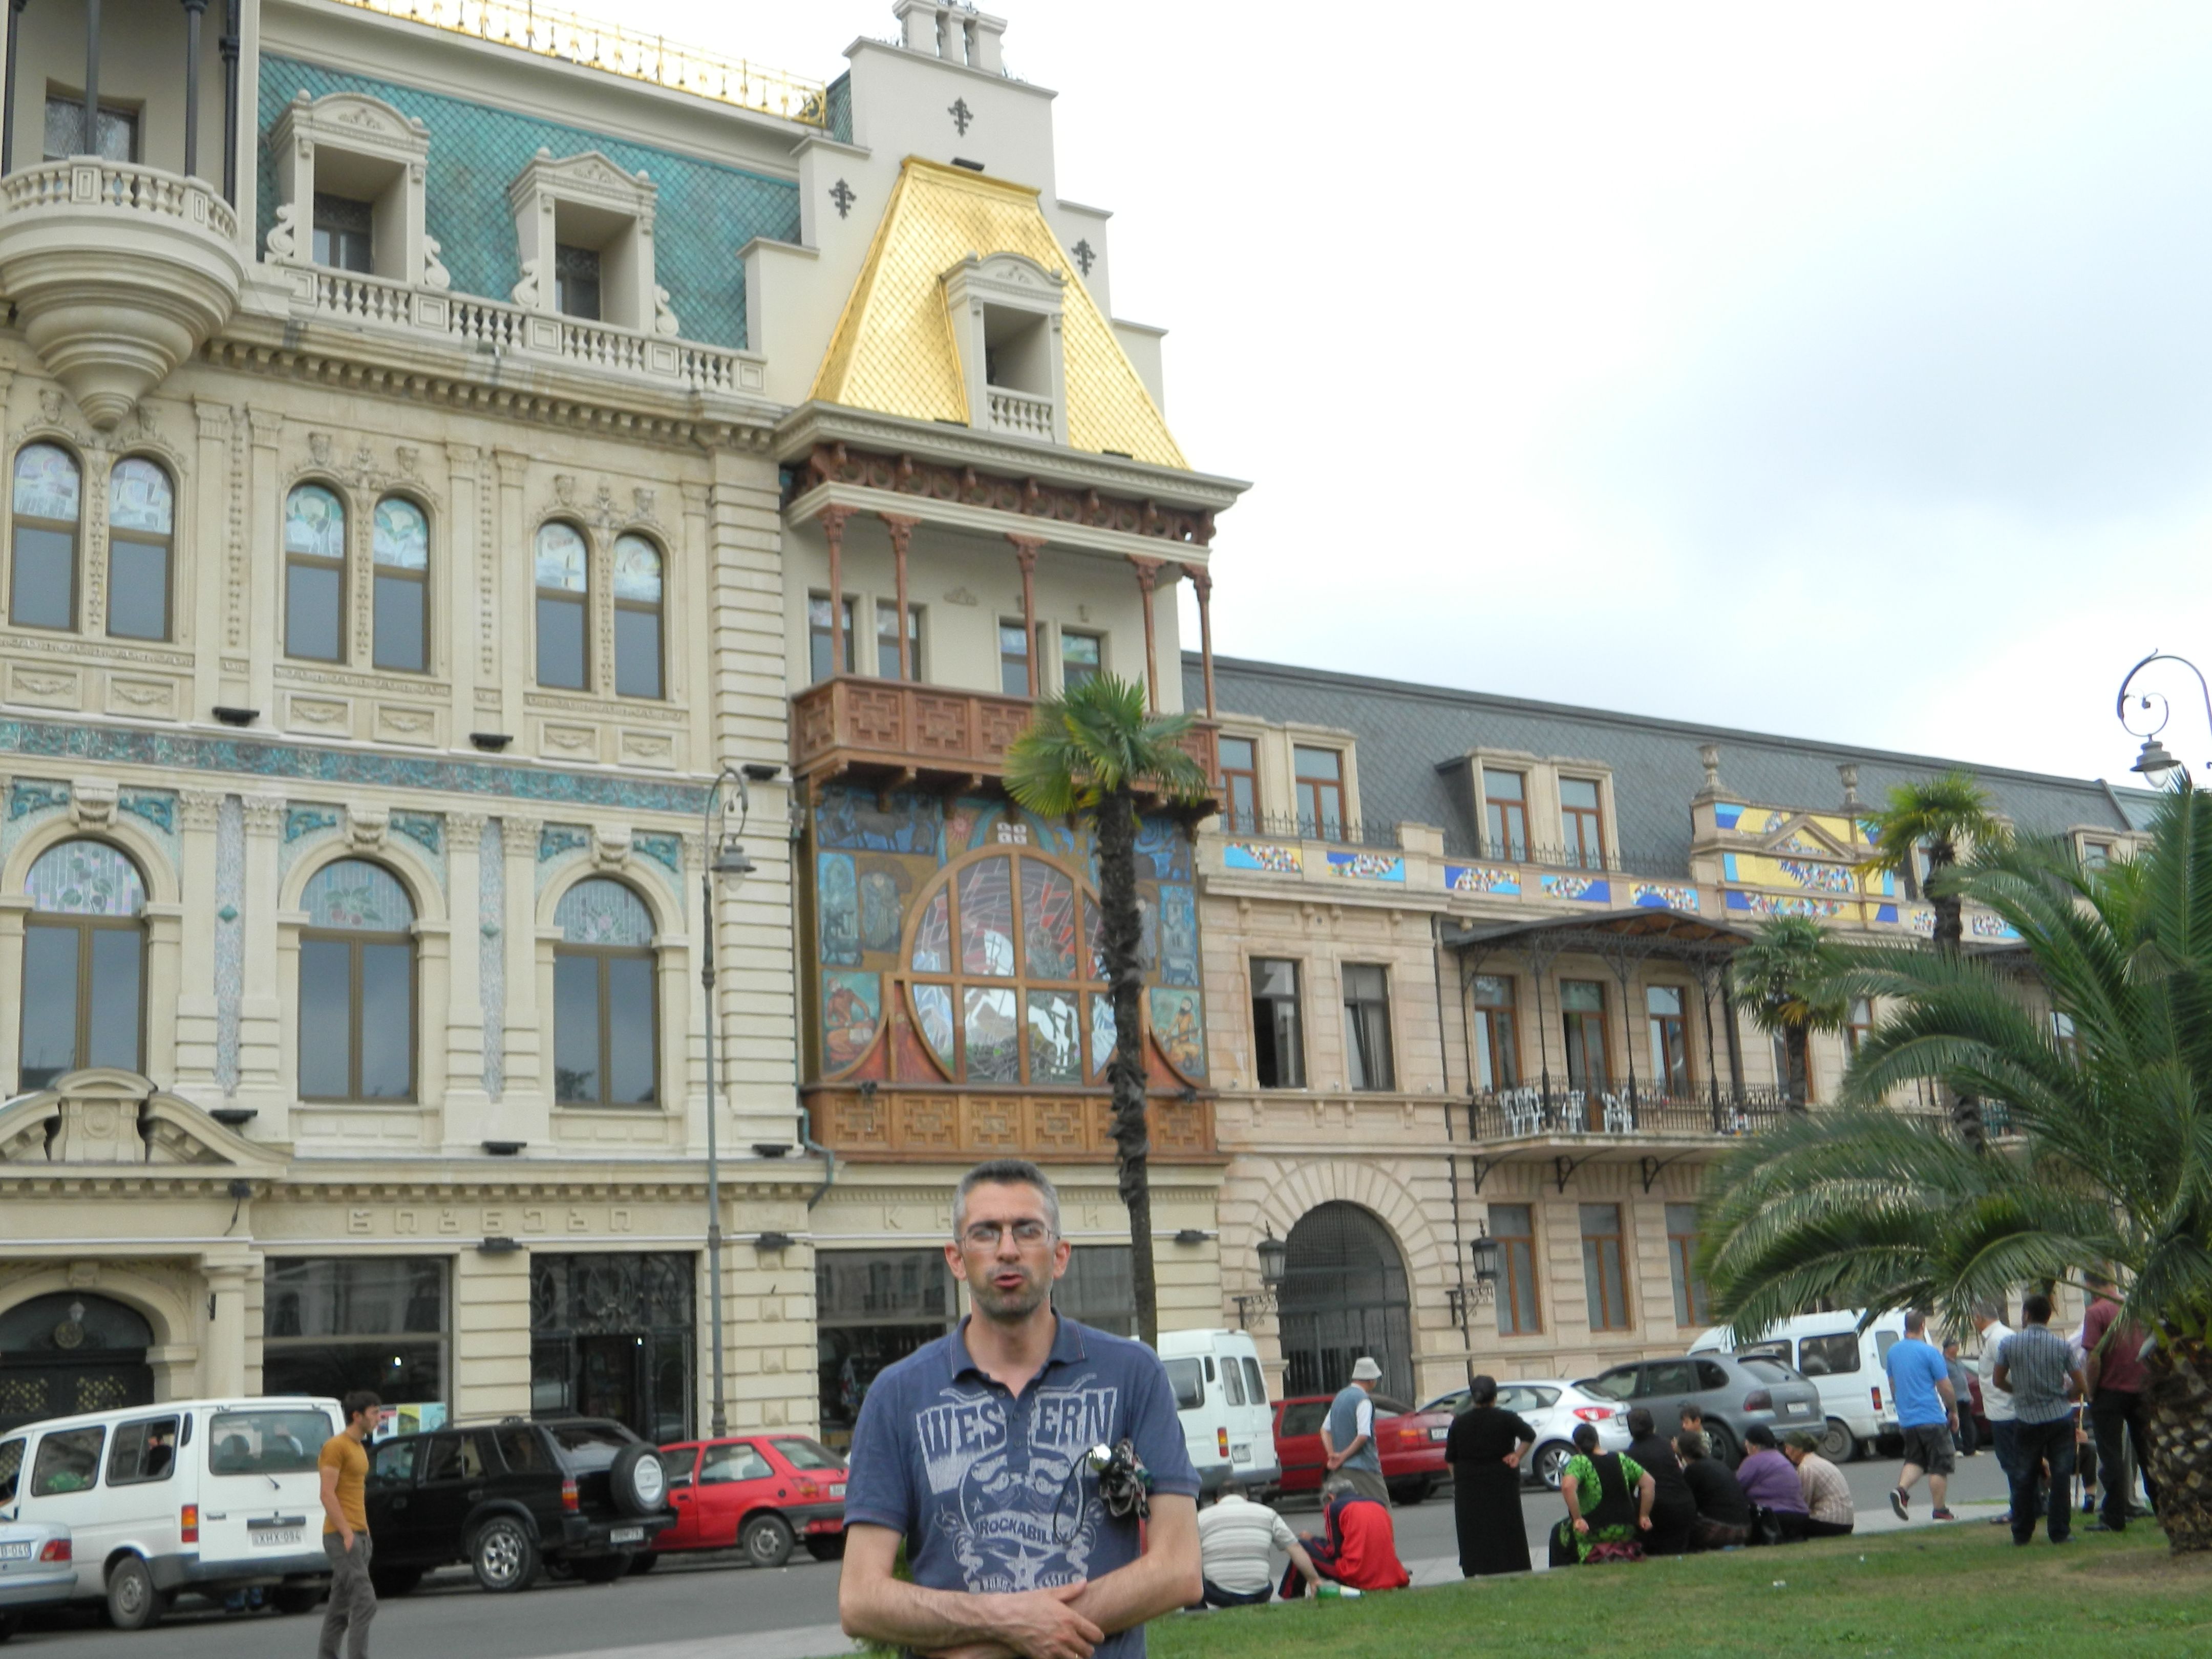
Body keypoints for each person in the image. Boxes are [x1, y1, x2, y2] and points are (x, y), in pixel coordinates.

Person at [839, 1160, 1201, 1659]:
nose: (1007, 1250)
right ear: (957, 1258)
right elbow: (861, 1600)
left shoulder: (1132, 1373)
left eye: (1027, 1231)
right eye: (985, 1233)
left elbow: (1180, 1569)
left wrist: (1029, 1628)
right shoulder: (898, 1394)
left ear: (1059, 1255)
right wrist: (1010, 1623)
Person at [1994, 1292, 2085, 1547]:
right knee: (2061, 1474)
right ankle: (2059, 1532)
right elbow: (2081, 1383)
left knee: (2024, 1476)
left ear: (2026, 1315)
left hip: (2026, 1418)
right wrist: (2065, 1395)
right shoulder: (2062, 1346)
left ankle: (2022, 1532)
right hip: (2058, 1416)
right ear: (2048, 1317)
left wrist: (2020, 1392)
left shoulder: (2009, 1345)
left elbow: (1998, 1380)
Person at [2082, 1273, 2158, 1533]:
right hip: (2141, 1388)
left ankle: (2114, 1517)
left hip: (2110, 1390)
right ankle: (2162, 1508)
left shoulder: (2096, 1312)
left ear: (2089, 1285)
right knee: (2149, 1453)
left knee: (2111, 1456)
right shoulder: (2135, 1307)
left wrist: (2090, 1392)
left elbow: (2094, 1358)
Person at [1444, 1375, 1536, 1577]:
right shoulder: (1506, 1418)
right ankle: (1513, 1565)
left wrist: (1457, 1480)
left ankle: (1475, 1567)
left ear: (1473, 1398)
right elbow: (1529, 1435)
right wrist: (1516, 1455)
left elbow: (1451, 1457)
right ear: (1495, 1397)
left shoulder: (1460, 1423)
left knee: (1474, 1529)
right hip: (1502, 1478)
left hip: (1469, 1483)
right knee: (1507, 1525)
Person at [318, 1390, 380, 1659]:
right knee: (365, 1602)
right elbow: (327, 1493)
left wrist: (364, 1533)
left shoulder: (358, 1448)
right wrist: (347, 1534)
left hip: (359, 1535)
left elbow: (355, 1493)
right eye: (374, 1413)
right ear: (357, 1416)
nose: (379, 1417)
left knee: (339, 1608)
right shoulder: (336, 1447)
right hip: (341, 1536)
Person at [1883, 1309, 1959, 1522]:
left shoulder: (1893, 1352)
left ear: (1905, 1327)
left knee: (1915, 1460)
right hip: (1931, 1417)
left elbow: (1892, 1384)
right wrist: (1953, 1410)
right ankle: (1940, 1510)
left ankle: (1902, 1491)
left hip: (1908, 1420)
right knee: (1939, 1465)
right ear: (1923, 1326)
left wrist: (1901, 1407)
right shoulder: (1930, 1352)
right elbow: (1945, 1386)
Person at [1194, 1480, 1316, 1607]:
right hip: (1259, 1594)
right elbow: (1295, 1548)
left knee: (1191, 1584)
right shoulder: (1268, 1514)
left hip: (1219, 1594)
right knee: (1265, 1581)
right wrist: (1314, 1580)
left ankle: (1198, 1616)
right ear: (1246, 1497)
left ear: (1218, 1499)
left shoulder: (1201, 1517)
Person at [1283, 1480, 1410, 1597]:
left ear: (1331, 1497)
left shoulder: (1335, 1507)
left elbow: (1334, 1552)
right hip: (1390, 1574)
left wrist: (1313, 1540)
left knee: (1299, 1547)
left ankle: (1290, 1596)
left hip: (1358, 1575)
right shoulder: (1378, 1504)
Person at [1557, 1422, 1654, 1564]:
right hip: (1625, 1529)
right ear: (1597, 1440)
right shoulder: (1621, 1458)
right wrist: (1644, 1516)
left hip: (1594, 1532)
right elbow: (1649, 1483)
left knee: (1560, 1533)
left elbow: (1567, 1487)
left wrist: (1578, 1518)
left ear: (1576, 1445)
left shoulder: (1580, 1462)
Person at [1623, 1407, 1699, 1557]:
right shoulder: (1666, 1445)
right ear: (1653, 1426)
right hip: (1685, 1505)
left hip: (1659, 1512)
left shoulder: (1632, 1454)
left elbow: (1628, 1492)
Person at [1973, 1301, 2022, 1527]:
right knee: (2013, 1461)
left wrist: (2011, 1394)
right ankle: (2027, 1504)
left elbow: (2013, 1373)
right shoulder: (1998, 1336)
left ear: (1979, 1318)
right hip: (2001, 1409)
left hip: (2006, 1411)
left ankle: (2020, 1508)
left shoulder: (1997, 1338)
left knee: (2012, 1462)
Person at [1320, 1357, 1390, 1507]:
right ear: (1371, 1380)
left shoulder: (1340, 1397)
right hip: (1364, 1467)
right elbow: (1363, 1435)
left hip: (1340, 1471)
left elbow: (1325, 1430)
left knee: (1347, 1512)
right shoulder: (1363, 1400)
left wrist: (1332, 1454)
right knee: (1381, 1509)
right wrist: (1343, 1456)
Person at [1678, 1431, 1752, 1550]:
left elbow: (1687, 1505)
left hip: (1721, 1531)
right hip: (1745, 1529)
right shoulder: (1720, 1465)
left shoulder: (1693, 1471)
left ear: (1682, 1452)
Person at [1735, 1426, 1810, 1542]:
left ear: (1754, 1446)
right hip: (1801, 1517)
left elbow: (1736, 1489)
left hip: (1775, 1519)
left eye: (1747, 1442)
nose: (1745, 1446)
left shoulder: (1753, 1461)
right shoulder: (1782, 1459)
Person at [1780, 1433, 1855, 1538]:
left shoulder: (1806, 1467)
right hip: (1845, 1521)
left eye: (1788, 1448)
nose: (1786, 1452)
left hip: (1831, 1523)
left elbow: (1802, 1504)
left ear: (1800, 1449)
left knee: (1787, 1525)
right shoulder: (1817, 1461)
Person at [1942, 1339, 1979, 1456]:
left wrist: (1969, 1394)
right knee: (1953, 1423)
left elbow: (1963, 1378)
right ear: (1948, 1348)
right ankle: (1956, 1448)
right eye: (1955, 1346)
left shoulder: (1959, 1362)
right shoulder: (1943, 1362)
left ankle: (1970, 1449)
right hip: (1953, 1398)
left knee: (1967, 1423)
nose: (1957, 1348)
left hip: (1964, 1396)